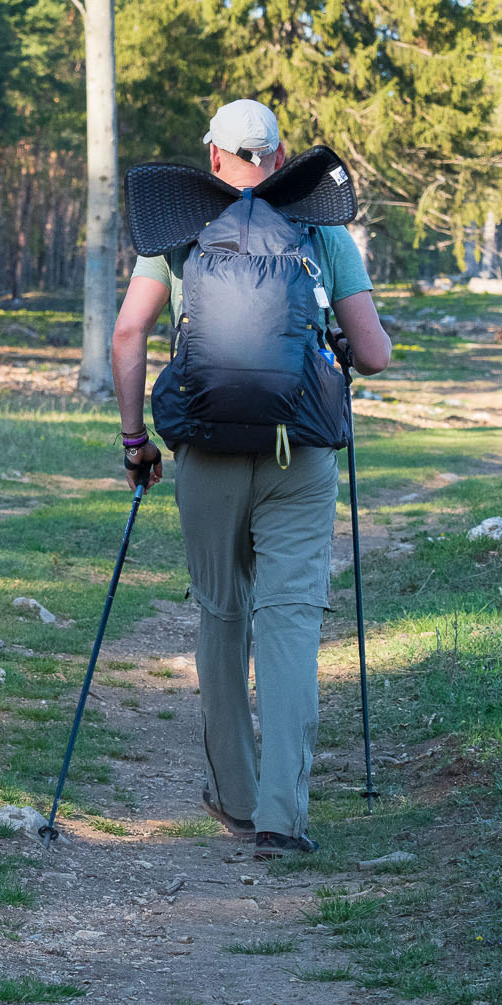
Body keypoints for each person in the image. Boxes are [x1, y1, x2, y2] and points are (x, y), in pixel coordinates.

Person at [109, 99, 393, 858]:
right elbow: (373, 354)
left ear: (213, 159)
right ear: (279, 156)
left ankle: (233, 798)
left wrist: (137, 439)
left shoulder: (179, 228)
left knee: (222, 616)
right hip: (299, 452)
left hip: (204, 451)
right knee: (291, 621)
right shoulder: (321, 228)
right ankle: (281, 819)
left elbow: (130, 331)